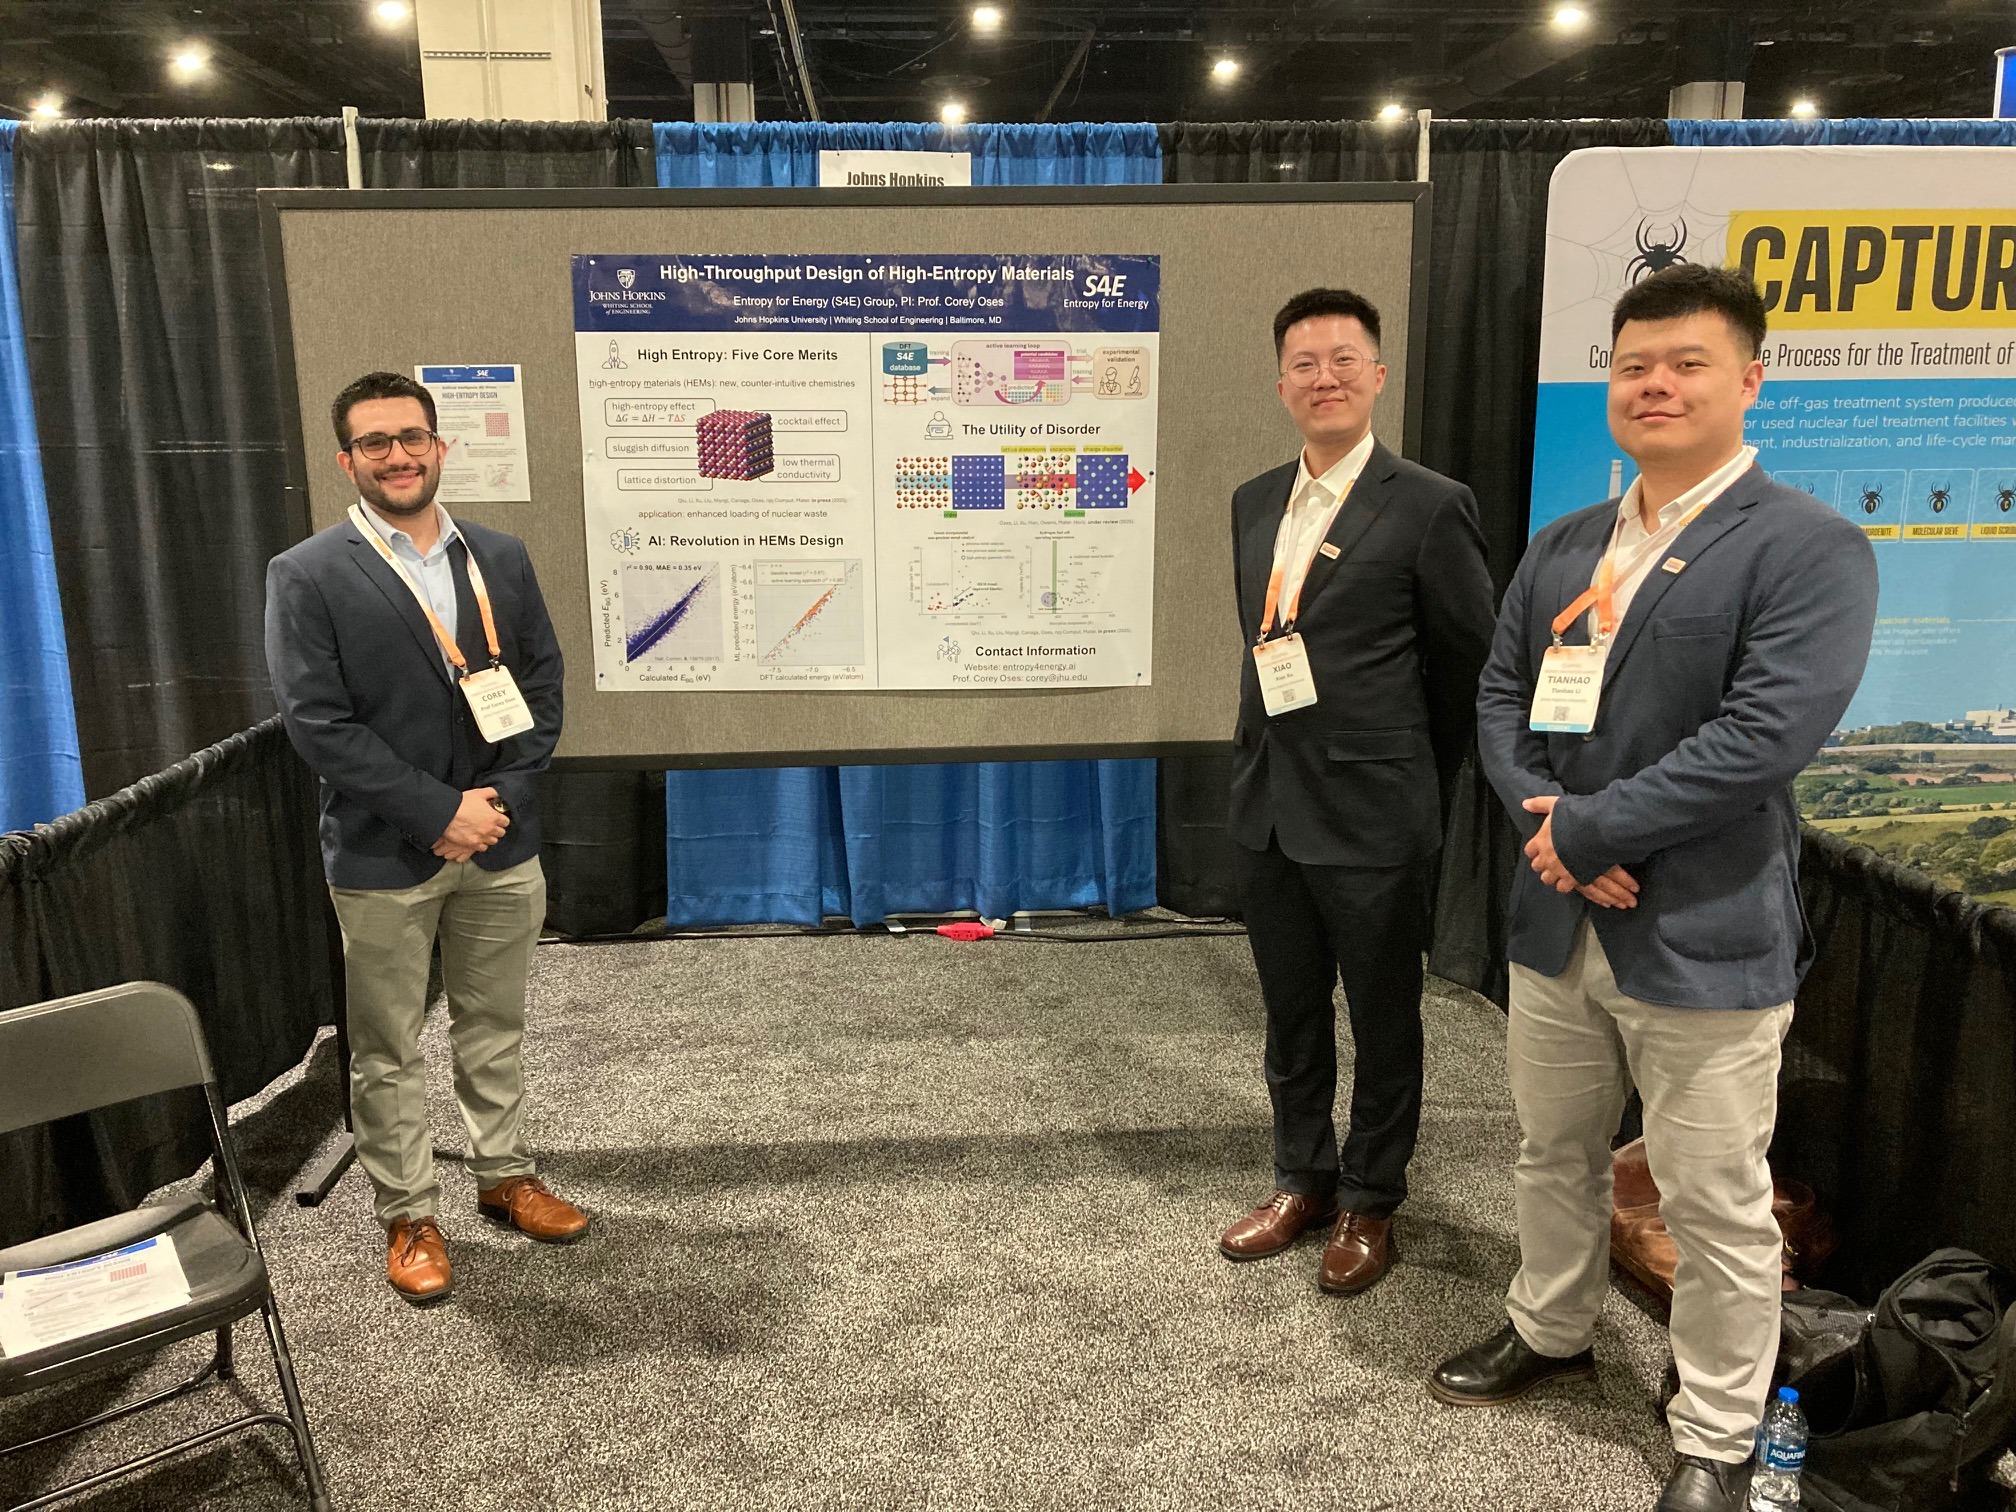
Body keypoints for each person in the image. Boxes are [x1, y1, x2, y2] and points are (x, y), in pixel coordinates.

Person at [1430, 265, 1878, 1512]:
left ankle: (1718, 1431)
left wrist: (1588, 828)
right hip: (1555, 915)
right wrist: (1552, 829)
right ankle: (1551, 1325)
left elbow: (1761, 738)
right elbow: (1500, 699)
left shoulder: (1809, 546)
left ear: (1750, 380)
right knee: (1552, 1150)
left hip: (1703, 931)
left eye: (1687, 364)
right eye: (1634, 366)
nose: (1656, 385)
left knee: (1713, 1198)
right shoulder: (1565, 545)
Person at [265, 371, 588, 1306]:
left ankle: (505, 1176)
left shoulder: (499, 556)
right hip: (383, 852)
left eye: (412, 438)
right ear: (348, 461)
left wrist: (497, 802)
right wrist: (438, 812)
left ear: (440, 447)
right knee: (386, 1047)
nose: (398, 456)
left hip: (500, 840)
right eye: (375, 443)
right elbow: (318, 724)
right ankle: (409, 1215)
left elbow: (541, 688)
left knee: (495, 1025)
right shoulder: (308, 572)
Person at [1218, 288, 1496, 1293]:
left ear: (1377, 376)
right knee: (1291, 1012)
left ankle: (1371, 1199)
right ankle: (1302, 1178)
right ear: (1281, 383)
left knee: (1384, 1019)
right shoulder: (1254, 500)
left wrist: (1406, 768)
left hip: (1376, 814)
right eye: (1304, 362)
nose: (1324, 377)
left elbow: (1469, 664)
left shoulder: (1428, 503)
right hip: (1271, 808)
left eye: (1343, 360)